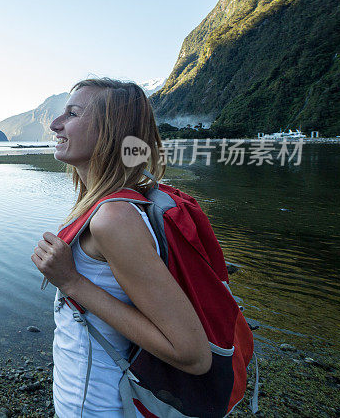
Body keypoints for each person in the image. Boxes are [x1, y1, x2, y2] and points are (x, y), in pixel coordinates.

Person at [31, 78, 211, 417]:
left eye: (72, 114)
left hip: (99, 406)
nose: (55, 124)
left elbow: (193, 354)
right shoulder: (112, 203)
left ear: (109, 131)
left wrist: (71, 282)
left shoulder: (112, 218)